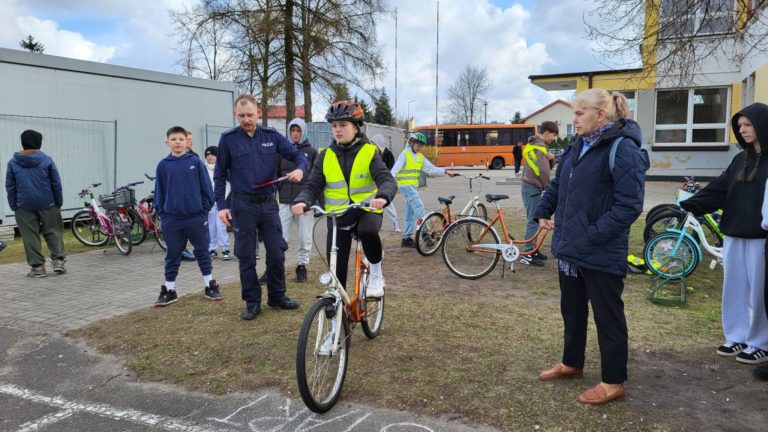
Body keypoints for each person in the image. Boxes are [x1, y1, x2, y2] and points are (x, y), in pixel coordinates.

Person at [534, 89, 646, 405]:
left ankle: (613, 381)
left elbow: (629, 205)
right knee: (572, 310)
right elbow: (559, 186)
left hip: (600, 250)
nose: (574, 119)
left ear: (601, 115)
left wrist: (593, 235)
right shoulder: (576, 146)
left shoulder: (623, 149)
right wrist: (543, 209)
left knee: (608, 316)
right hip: (571, 249)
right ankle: (572, 363)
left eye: (580, 113)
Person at [682, 102, 768, 365]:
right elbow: (719, 189)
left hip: (761, 238)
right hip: (733, 233)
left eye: (748, 125)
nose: (742, 130)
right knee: (734, 287)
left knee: (760, 292)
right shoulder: (740, 159)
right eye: (739, 126)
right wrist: (689, 204)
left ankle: (760, 342)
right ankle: (736, 336)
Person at [214, 95, 309, 321]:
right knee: (246, 255)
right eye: (241, 116)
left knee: (276, 252)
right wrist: (221, 206)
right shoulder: (228, 140)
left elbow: (298, 156)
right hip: (243, 206)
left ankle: (277, 296)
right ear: (234, 115)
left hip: (268, 205)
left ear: (258, 112)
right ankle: (252, 302)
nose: (246, 119)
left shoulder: (271, 136)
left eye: (250, 115)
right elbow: (219, 176)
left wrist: (300, 170)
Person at [291, 100, 397, 297]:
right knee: (336, 273)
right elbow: (313, 185)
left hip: (366, 210)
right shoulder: (325, 156)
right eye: (334, 126)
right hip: (337, 216)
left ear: (356, 127)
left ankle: (376, 273)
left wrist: (382, 196)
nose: (337, 130)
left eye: (343, 125)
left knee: (367, 231)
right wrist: (302, 200)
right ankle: (338, 309)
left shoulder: (369, 152)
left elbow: (386, 179)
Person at [153, 126, 222, 306]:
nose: (177, 142)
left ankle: (210, 285)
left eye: (181, 139)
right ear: (167, 142)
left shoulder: (196, 163)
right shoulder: (163, 165)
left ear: (187, 142)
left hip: (195, 217)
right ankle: (169, 290)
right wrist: (163, 214)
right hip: (172, 219)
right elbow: (159, 192)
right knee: (173, 254)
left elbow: (207, 189)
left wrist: (203, 211)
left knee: (202, 251)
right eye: (173, 139)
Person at [5, 129, 67, 277]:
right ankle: (58, 261)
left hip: (23, 205)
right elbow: (56, 183)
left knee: (29, 235)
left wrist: (14, 205)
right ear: (38, 143)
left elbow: (10, 186)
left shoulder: (13, 162)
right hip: (48, 203)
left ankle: (38, 268)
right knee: (53, 231)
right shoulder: (47, 160)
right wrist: (58, 201)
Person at [391, 132, 456, 248]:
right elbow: (394, 170)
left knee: (410, 213)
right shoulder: (405, 154)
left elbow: (431, 169)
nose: (420, 147)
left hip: (412, 187)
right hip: (405, 186)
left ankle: (406, 239)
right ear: (411, 143)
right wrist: (387, 183)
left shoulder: (420, 157)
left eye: (421, 145)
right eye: (418, 144)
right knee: (419, 206)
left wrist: (445, 171)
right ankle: (425, 234)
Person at [278, 118, 318, 282]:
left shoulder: (312, 152)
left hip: (304, 203)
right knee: (280, 236)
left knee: (304, 237)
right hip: (284, 200)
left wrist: (312, 201)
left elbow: (316, 177)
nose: (295, 134)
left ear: (303, 132)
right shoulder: (281, 150)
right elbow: (275, 172)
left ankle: (302, 266)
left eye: (298, 131)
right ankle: (276, 266)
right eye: (292, 130)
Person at [520, 121, 558, 267]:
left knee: (534, 220)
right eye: (554, 135)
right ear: (547, 133)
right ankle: (528, 253)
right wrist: (549, 188)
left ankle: (533, 249)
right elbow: (544, 171)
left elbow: (545, 166)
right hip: (533, 187)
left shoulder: (533, 143)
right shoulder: (541, 147)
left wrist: (552, 159)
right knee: (533, 220)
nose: (554, 138)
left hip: (529, 186)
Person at [204, 146, 231, 260]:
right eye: (208, 155)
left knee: (221, 226)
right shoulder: (203, 168)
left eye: (212, 155)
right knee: (211, 226)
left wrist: (222, 199)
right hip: (209, 202)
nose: (210, 157)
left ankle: (225, 248)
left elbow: (228, 185)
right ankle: (212, 249)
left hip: (221, 202)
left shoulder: (222, 168)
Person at [371, 133, 401, 232]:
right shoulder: (372, 153)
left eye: (374, 143)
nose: (372, 145)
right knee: (373, 205)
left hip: (384, 184)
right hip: (373, 184)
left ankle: (396, 224)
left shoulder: (388, 155)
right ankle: (374, 225)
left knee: (389, 205)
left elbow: (391, 169)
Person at [180, 130, 198, 262]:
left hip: (192, 197)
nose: (190, 142)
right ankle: (179, 251)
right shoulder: (174, 157)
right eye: (188, 139)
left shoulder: (194, 157)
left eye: (192, 139)